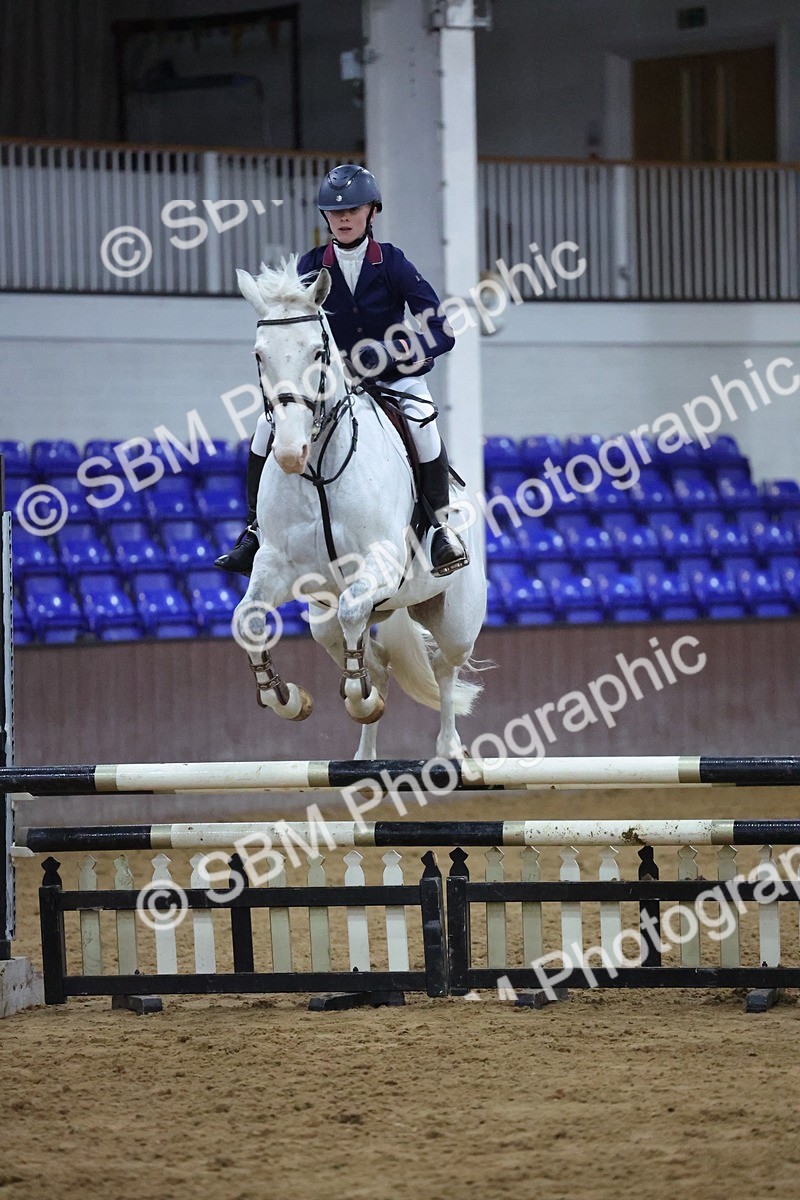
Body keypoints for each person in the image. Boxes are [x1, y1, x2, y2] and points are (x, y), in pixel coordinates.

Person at [215, 163, 469, 578]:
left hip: (392, 379)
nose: (344, 218)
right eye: (336, 213)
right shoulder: (310, 267)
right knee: (266, 428)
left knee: (423, 425)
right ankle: (255, 530)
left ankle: (439, 530)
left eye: (353, 210)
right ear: (326, 218)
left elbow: (441, 329)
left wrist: (397, 354)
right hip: (331, 385)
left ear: (372, 212)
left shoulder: (393, 264)